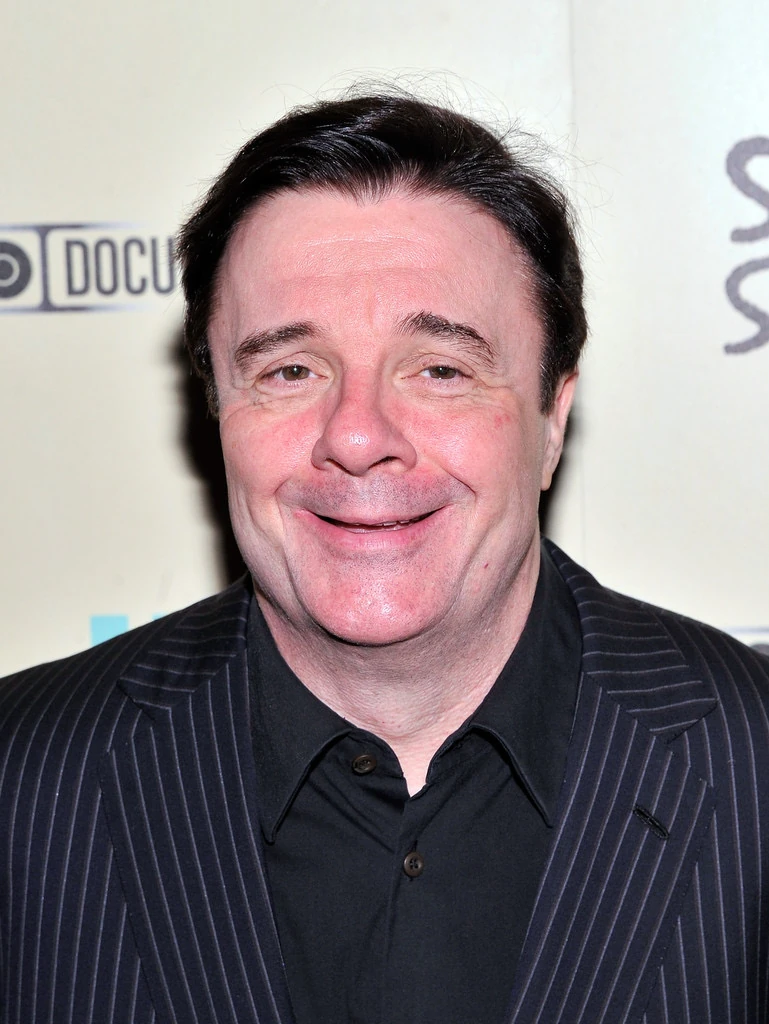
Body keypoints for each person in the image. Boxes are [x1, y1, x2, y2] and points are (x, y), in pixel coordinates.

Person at [1, 92, 768, 1024]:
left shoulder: (752, 758)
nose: (358, 437)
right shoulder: (23, 778)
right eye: (289, 370)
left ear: (552, 418)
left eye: (440, 369)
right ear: (218, 411)